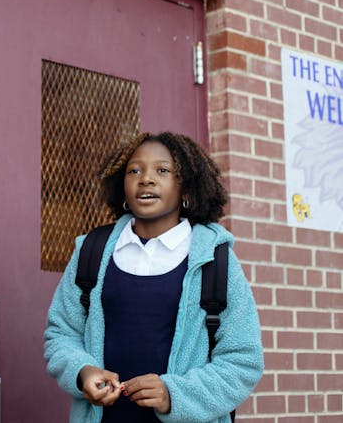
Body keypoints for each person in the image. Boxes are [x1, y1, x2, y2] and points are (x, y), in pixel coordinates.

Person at [44, 131, 263, 423]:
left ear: (186, 189)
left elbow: (242, 362)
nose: (145, 178)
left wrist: (174, 394)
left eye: (162, 170)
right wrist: (82, 371)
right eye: (134, 170)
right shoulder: (91, 251)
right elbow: (62, 334)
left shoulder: (215, 259)